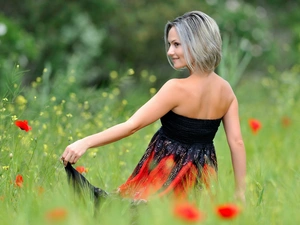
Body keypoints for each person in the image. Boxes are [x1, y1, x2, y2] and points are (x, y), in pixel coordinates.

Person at [61, 10, 246, 203]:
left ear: (196, 43)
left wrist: (85, 142)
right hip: (201, 175)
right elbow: (237, 143)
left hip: (165, 172)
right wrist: (240, 192)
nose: (170, 52)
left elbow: (132, 125)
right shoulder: (227, 91)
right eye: (169, 44)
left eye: (176, 44)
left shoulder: (175, 88)